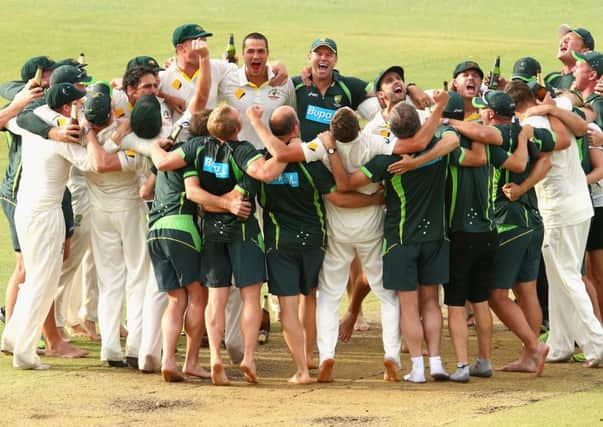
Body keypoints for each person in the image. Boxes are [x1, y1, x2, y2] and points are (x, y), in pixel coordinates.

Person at [258, 90, 449, 382]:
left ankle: (327, 355)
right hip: (371, 226)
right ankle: (391, 356)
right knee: (386, 294)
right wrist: (439, 109)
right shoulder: (374, 141)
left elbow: (282, 153)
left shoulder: (321, 145)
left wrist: (256, 122)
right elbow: (420, 142)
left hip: (337, 229)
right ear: (359, 127)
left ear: (331, 131)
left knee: (329, 295)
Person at [325, 99, 459, 383]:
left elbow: (347, 183)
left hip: (401, 238)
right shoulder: (437, 147)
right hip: (435, 236)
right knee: (432, 302)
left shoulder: (387, 160)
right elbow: (452, 139)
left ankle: (418, 369)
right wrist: (423, 157)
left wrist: (333, 150)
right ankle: (436, 362)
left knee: (408, 306)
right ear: (419, 125)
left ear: (393, 131)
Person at [0, 83, 117, 369]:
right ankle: (25, 354)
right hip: (46, 214)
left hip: (25, 210)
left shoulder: (36, 121)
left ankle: (13, 338)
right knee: (44, 282)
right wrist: (90, 133)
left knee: (35, 279)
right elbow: (91, 164)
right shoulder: (64, 135)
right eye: (78, 103)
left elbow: (18, 119)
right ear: (66, 107)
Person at [507, 80, 603, 367]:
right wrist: (550, 105)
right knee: (561, 276)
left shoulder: (536, 122)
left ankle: (597, 343)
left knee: (568, 278)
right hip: (576, 206)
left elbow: (556, 148)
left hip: (560, 209)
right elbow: (584, 121)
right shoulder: (555, 110)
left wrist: (521, 187)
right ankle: (560, 342)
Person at [219, 32, 296, 149]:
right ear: (243, 54)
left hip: (274, 155)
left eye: (261, 51)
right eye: (250, 51)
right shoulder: (229, 81)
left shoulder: (283, 82)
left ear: (267, 54)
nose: (256, 56)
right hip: (239, 154)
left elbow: (292, 119)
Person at [545, 25, 595, 90]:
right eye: (563, 39)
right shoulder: (551, 78)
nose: (563, 41)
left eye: (569, 39)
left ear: (584, 51)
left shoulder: (586, 81)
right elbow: (541, 98)